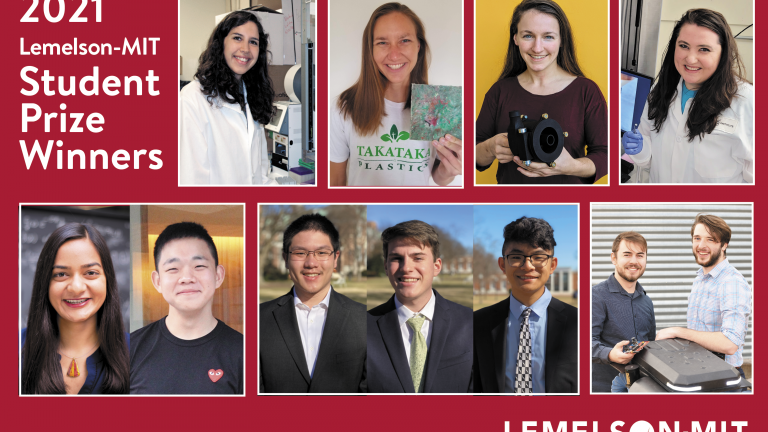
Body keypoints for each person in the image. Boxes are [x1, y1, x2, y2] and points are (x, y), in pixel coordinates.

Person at [475, 0, 607, 184]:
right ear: (516, 38)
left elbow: (605, 154)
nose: (537, 48)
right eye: (528, 36)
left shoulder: (586, 91)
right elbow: (472, 154)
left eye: (548, 37)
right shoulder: (499, 91)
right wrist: (489, 148)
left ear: (561, 40)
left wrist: (571, 166)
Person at [330, 2, 461, 186]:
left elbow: (438, 177)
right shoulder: (343, 107)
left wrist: (449, 170)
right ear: (370, 49)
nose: (394, 55)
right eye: (382, 42)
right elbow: (336, 181)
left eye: (404, 40)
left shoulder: (438, 107)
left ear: (419, 46)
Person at [622, 9, 753, 183]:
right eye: (683, 46)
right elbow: (649, 159)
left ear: (723, 54)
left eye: (704, 49)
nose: (690, 59)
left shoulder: (747, 102)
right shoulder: (661, 90)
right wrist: (638, 149)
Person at [130, 222, 243, 394]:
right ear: (157, 281)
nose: (187, 278)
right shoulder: (129, 350)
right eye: (173, 268)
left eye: (199, 266)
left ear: (218, 276)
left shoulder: (245, 353)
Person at [260, 214, 367, 393]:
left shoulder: (364, 319)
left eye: (322, 253)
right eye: (300, 253)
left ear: (335, 258)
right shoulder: (258, 319)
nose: (311, 263)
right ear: (285, 259)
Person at [21, 223, 130, 394]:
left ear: (107, 279)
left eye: (91, 272)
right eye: (61, 274)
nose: (76, 287)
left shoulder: (139, 353)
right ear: (45, 283)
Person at [474, 217, 577, 393]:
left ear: (552, 265)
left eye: (538, 257)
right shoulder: (477, 323)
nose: (527, 266)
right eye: (516, 257)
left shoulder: (579, 323)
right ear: (502, 265)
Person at [367, 220, 472, 392]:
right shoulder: (364, 327)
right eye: (396, 258)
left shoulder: (470, 322)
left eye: (417, 258)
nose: (406, 268)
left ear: (436, 266)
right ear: (386, 266)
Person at [179, 11, 277, 185]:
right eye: (237, 38)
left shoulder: (253, 96)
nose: (245, 49)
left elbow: (261, 174)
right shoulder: (192, 98)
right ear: (221, 43)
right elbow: (192, 180)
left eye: (253, 42)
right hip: (216, 210)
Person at [656, 214, 751, 381]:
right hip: (698, 372)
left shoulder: (732, 283)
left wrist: (678, 331)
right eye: (697, 238)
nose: (701, 245)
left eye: (710, 240)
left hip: (722, 378)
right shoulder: (700, 278)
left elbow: (729, 344)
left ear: (724, 245)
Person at [591, 232, 655, 393]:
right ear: (614, 258)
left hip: (640, 389)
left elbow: (650, 344)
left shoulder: (647, 302)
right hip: (603, 390)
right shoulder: (596, 296)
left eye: (640, 255)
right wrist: (610, 354)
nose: (634, 261)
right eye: (627, 254)